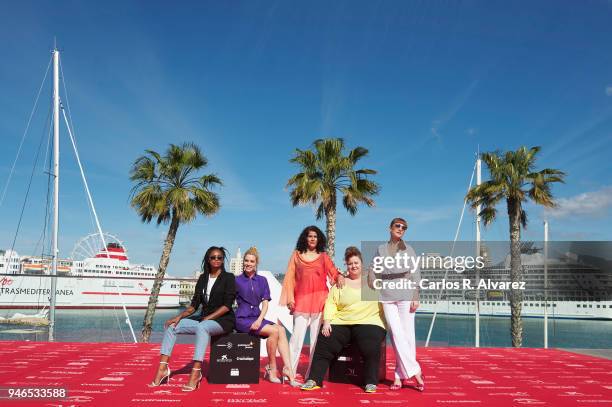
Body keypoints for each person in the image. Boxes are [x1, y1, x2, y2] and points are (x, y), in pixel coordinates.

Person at [148, 246, 236, 392]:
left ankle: (196, 372)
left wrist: (208, 318)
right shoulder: (202, 278)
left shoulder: (229, 277)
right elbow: (194, 305)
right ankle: (162, 369)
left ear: (222, 260)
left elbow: (227, 306)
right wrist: (178, 316)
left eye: (219, 257)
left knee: (202, 326)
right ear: (208, 259)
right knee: (172, 327)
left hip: (223, 320)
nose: (216, 260)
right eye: (213, 257)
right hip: (204, 319)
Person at [301, 246, 386, 393]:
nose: (353, 266)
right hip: (342, 321)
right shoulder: (340, 283)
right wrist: (327, 322)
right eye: (350, 263)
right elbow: (331, 303)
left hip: (369, 321)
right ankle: (314, 379)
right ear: (347, 266)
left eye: (356, 263)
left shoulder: (372, 281)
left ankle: (371, 382)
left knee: (371, 344)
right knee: (324, 340)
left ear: (361, 264)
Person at [279, 226, 344, 378]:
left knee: (316, 342)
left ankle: (312, 375)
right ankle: (289, 371)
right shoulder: (296, 255)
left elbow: (334, 273)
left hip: (321, 302)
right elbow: (289, 277)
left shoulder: (323, 257)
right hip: (301, 301)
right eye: (310, 236)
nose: (313, 238)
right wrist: (290, 298)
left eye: (315, 236)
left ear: (319, 239)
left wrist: (340, 276)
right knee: (296, 339)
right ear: (305, 238)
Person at [371, 218, 425, 391]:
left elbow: (416, 274)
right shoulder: (380, 249)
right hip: (387, 294)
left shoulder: (409, 249)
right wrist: (372, 281)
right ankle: (415, 371)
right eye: (398, 226)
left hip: (406, 293)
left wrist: (416, 295)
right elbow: (373, 269)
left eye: (404, 228)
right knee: (395, 334)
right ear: (390, 228)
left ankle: (398, 376)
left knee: (407, 336)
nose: (401, 229)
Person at [235, 247, 299, 386]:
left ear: (256, 263)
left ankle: (288, 370)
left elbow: (265, 304)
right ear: (243, 262)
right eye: (246, 260)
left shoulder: (262, 280)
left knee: (280, 330)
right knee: (275, 331)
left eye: (252, 261)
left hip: (257, 318)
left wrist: (259, 320)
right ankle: (272, 368)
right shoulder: (237, 280)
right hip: (242, 319)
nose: (248, 263)